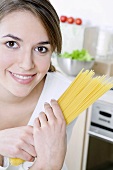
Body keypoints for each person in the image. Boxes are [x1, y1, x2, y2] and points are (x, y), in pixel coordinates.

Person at [0, 0, 76, 170]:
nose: (27, 64)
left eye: (41, 49)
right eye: (11, 44)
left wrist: (48, 163)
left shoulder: (62, 94)